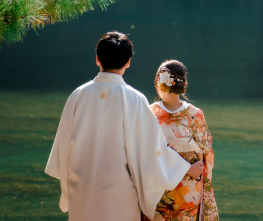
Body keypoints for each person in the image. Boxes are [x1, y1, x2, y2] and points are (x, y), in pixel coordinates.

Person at [45, 32, 204, 221]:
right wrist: (185, 167)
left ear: (97, 59)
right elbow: (153, 151)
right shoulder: (134, 98)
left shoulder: (78, 95)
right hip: (119, 194)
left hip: (82, 189)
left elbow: (62, 148)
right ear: (128, 62)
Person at [144, 60, 220, 221]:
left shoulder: (149, 114)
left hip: (159, 191)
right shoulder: (195, 115)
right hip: (190, 193)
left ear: (159, 82)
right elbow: (208, 157)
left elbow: (146, 155)